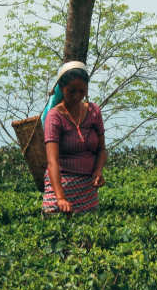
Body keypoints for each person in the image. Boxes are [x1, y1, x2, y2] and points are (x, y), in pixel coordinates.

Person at [42, 61, 108, 214]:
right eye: (71, 91)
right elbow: (52, 161)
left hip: (87, 188)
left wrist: (98, 171)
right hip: (61, 184)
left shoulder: (94, 111)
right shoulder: (55, 117)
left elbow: (102, 149)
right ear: (61, 89)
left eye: (81, 90)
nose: (77, 96)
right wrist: (60, 198)